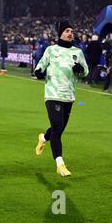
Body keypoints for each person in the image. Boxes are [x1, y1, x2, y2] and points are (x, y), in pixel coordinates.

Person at [34, 20, 89, 177]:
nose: (70, 33)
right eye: (67, 31)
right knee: (57, 127)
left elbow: (85, 72)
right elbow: (40, 66)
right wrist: (39, 72)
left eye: (72, 31)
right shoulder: (51, 50)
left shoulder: (77, 52)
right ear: (60, 34)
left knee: (58, 129)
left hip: (69, 96)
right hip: (53, 94)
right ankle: (60, 164)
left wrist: (80, 69)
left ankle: (43, 138)